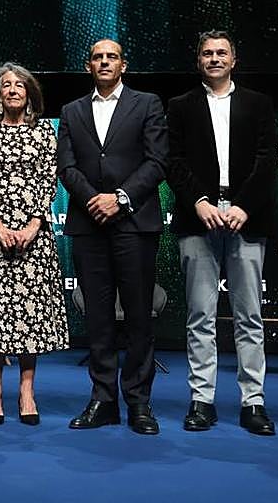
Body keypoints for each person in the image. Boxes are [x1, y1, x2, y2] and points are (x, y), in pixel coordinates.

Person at [166, 31, 278, 435]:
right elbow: (172, 160)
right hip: (199, 218)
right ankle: (202, 400)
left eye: (221, 52)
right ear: (198, 61)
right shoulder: (179, 106)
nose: (214, 58)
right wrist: (199, 201)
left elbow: (268, 161)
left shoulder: (259, 103)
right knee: (201, 316)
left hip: (247, 217)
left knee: (249, 315)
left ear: (234, 59)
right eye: (207, 53)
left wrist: (244, 206)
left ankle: (254, 402)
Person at [57, 39, 168, 434]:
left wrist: (120, 198)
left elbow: (158, 161)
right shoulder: (71, 111)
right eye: (97, 57)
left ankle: (139, 403)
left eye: (112, 57)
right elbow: (65, 166)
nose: (104, 62)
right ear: (89, 66)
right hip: (89, 225)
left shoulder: (148, 103)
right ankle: (103, 400)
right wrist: (94, 200)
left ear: (123, 64)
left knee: (138, 317)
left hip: (134, 223)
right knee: (99, 318)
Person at [0, 62, 68, 426]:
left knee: (31, 315)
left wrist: (34, 224)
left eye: (19, 85)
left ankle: (27, 390)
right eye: (6, 85)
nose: (12, 90)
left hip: (34, 237)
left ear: (29, 93)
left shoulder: (43, 133)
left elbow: (48, 178)